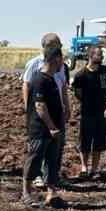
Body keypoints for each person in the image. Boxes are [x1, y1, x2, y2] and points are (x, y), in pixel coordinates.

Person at [22, 33, 71, 186]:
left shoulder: (62, 66)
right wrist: (28, 107)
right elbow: (27, 85)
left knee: (57, 145)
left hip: (57, 110)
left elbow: (63, 87)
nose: (60, 47)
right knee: (39, 146)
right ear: (48, 46)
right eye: (58, 45)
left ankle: (52, 178)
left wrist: (67, 106)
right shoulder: (35, 64)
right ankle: (36, 176)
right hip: (41, 110)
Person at [72, 46, 106, 179]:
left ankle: (94, 169)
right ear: (90, 56)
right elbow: (78, 93)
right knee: (85, 140)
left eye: (101, 55)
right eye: (98, 55)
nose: (101, 57)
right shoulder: (81, 75)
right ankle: (84, 167)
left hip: (103, 112)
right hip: (87, 112)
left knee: (99, 141)